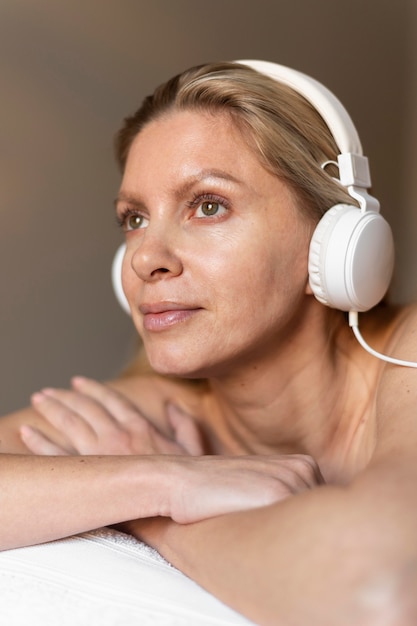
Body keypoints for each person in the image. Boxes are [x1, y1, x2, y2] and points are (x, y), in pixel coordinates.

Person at [1, 60, 417, 626]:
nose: (145, 258)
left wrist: (155, 516)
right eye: (135, 218)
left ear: (334, 243)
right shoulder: (149, 417)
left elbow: (378, 590)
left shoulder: (407, 356)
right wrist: (161, 478)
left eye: (208, 205)